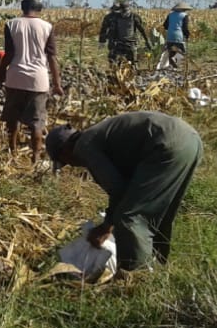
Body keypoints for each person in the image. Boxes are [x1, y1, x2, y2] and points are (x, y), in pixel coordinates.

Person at [45, 111, 203, 272]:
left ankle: (136, 277)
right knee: (159, 210)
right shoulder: (96, 135)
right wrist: (109, 223)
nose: (71, 165)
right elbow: (124, 187)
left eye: (65, 162)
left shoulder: (84, 146)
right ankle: (158, 265)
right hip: (190, 139)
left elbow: (118, 189)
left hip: (166, 145)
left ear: (64, 151)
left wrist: (107, 225)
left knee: (130, 217)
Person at [0, 0, 63, 160]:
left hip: (15, 77)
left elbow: (9, 54)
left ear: (23, 5)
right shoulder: (47, 27)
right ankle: (35, 156)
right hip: (38, 80)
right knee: (37, 122)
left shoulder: (11, 24)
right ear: (40, 7)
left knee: (12, 119)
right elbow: (51, 58)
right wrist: (56, 84)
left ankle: (12, 152)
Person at [98, 0, 151, 65]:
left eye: (125, 12)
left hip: (131, 43)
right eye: (122, 12)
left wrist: (147, 41)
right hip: (119, 43)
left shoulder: (135, 17)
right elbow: (105, 29)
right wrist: (102, 41)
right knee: (115, 62)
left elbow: (142, 30)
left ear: (129, 9)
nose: (123, 14)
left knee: (133, 63)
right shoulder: (115, 17)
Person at [162, 3, 192, 68]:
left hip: (170, 36)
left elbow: (165, 25)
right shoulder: (184, 15)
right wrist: (187, 35)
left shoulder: (170, 15)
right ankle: (178, 67)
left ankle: (172, 67)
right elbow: (185, 28)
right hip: (178, 36)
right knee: (182, 52)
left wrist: (171, 28)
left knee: (171, 53)